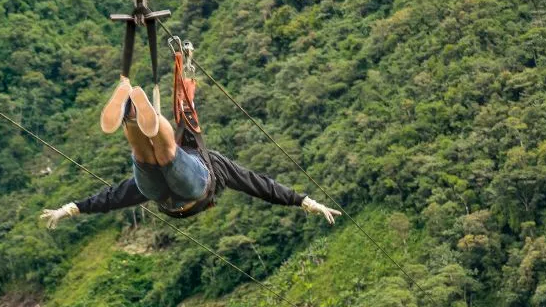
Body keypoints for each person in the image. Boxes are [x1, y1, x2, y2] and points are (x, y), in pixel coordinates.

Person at [41, 78, 341, 228]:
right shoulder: (213, 163)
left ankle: (132, 117)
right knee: (161, 155)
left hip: (161, 194)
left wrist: (71, 208)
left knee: (146, 155)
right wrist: (304, 201)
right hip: (189, 190)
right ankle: (138, 117)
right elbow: (257, 184)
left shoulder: (208, 158)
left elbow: (114, 196)